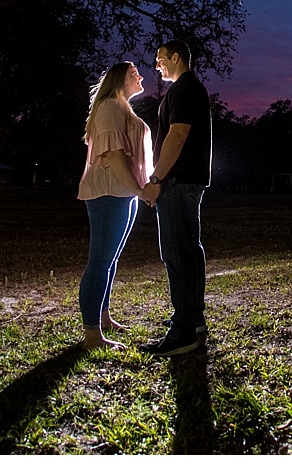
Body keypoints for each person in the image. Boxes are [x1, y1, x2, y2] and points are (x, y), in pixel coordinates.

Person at [139, 40, 213, 357]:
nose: (157, 65)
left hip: (178, 181)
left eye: (160, 59)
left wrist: (156, 179)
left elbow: (178, 134)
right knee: (189, 250)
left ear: (176, 57)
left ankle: (182, 332)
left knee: (177, 253)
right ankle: (193, 320)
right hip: (188, 180)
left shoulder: (183, 89)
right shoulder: (190, 88)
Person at [76, 61, 152, 351]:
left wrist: (137, 191)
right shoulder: (109, 106)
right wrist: (139, 190)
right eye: (134, 73)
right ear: (119, 79)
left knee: (111, 259)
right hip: (109, 191)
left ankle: (103, 317)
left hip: (124, 193)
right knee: (99, 261)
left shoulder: (123, 107)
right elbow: (115, 155)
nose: (141, 76)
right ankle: (92, 334)